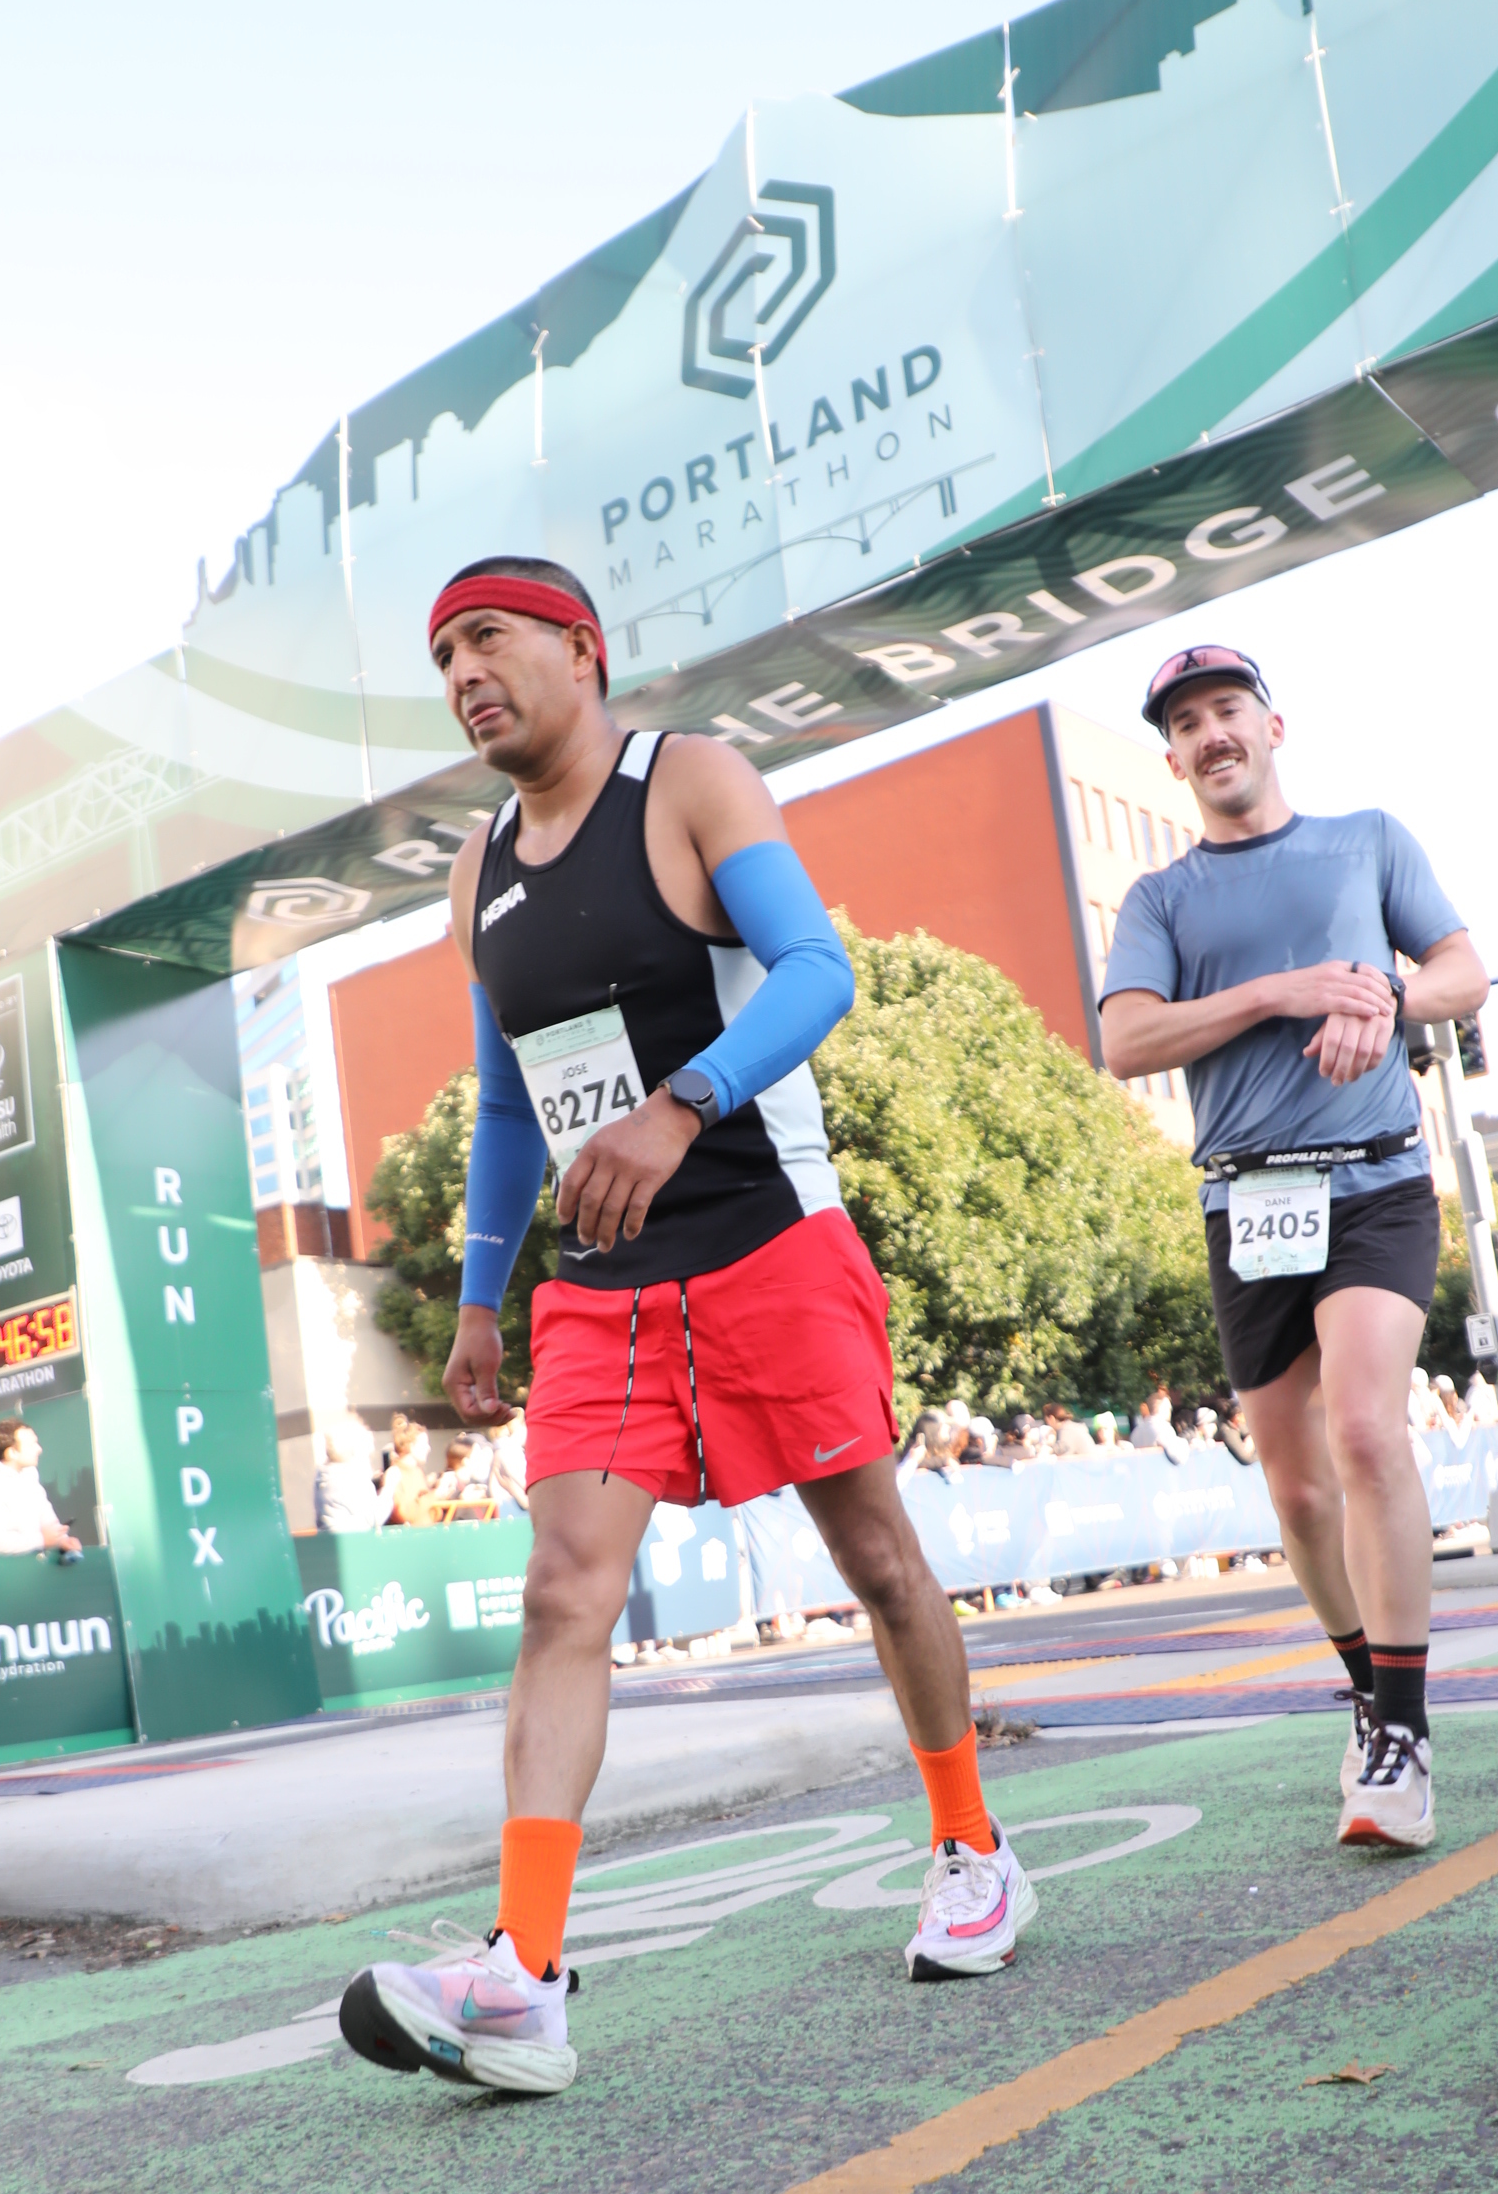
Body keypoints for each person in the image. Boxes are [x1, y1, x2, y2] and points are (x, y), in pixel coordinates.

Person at [338, 557, 1035, 2101]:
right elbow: (510, 1100)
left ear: (581, 652)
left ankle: (973, 1849)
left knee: (877, 1560)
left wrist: (683, 1104)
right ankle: (523, 1979)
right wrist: (478, 1298)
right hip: (602, 1283)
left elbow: (817, 970)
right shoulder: (477, 870)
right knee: (561, 1593)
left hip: (770, 1235)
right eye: (443, 655)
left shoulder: (693, 782)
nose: (463, 674)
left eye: (488, 639)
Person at [1100, 642, 1487, 1854]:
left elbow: (1461, 973)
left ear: (1273, 727)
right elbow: (1126, 1042)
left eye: (1227, 709)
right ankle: (1367, 1689)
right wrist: (1279, 993)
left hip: (1373, 1183)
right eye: (1185, 724)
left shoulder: (1365, 840)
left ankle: (1403, 1736)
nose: (1209, 732)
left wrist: (1378, 995)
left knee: (1365, 1432)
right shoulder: (1158, 900)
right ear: (1172, 761)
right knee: (1296, 1486)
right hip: (1246, 1204)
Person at [0, 1418, 83, 1558]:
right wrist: (41, 1541)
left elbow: (48, 1522)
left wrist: (63, 1540)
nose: (39, 1449)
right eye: (32, 1445)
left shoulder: (29, 1476)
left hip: (35, 1568)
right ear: (11, 1452)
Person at [312, 1422, 384, 1533]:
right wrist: (390, 1486)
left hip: (330, 1541)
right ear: (354, 1451)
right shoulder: (351, 1479)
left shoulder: (324, 1477)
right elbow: (376, 1517)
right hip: (356, 1541)